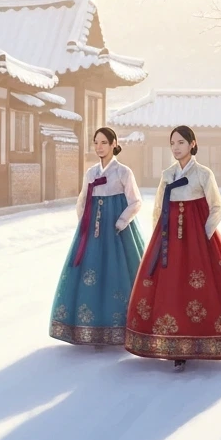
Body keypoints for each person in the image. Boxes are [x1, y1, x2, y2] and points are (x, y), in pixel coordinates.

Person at [124, 125, 221, 370]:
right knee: (171, 287)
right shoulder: (167, 175)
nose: (176, 147)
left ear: (192, 144)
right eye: (172, 143)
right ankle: (173, 344)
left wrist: (204, 234)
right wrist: (160, 237)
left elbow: (217, 206)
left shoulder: (203, 174)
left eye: (181, 143)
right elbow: (158, 209)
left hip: (198, 241)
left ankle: (201, 339)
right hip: (169, 240)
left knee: (200, 289)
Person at [49, 126, 146, 347]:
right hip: (92, 230)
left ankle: (121, 329)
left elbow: (136, 202)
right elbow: (82, 199)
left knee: (118, 275)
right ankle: (91, 328)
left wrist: (121, 222)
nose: (99, 147)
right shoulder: (91, 173)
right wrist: (84, 223)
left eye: (104, 142)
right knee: (90, 275)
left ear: (114, 144)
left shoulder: (123, 172)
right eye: (96, 142)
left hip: (117, 231)